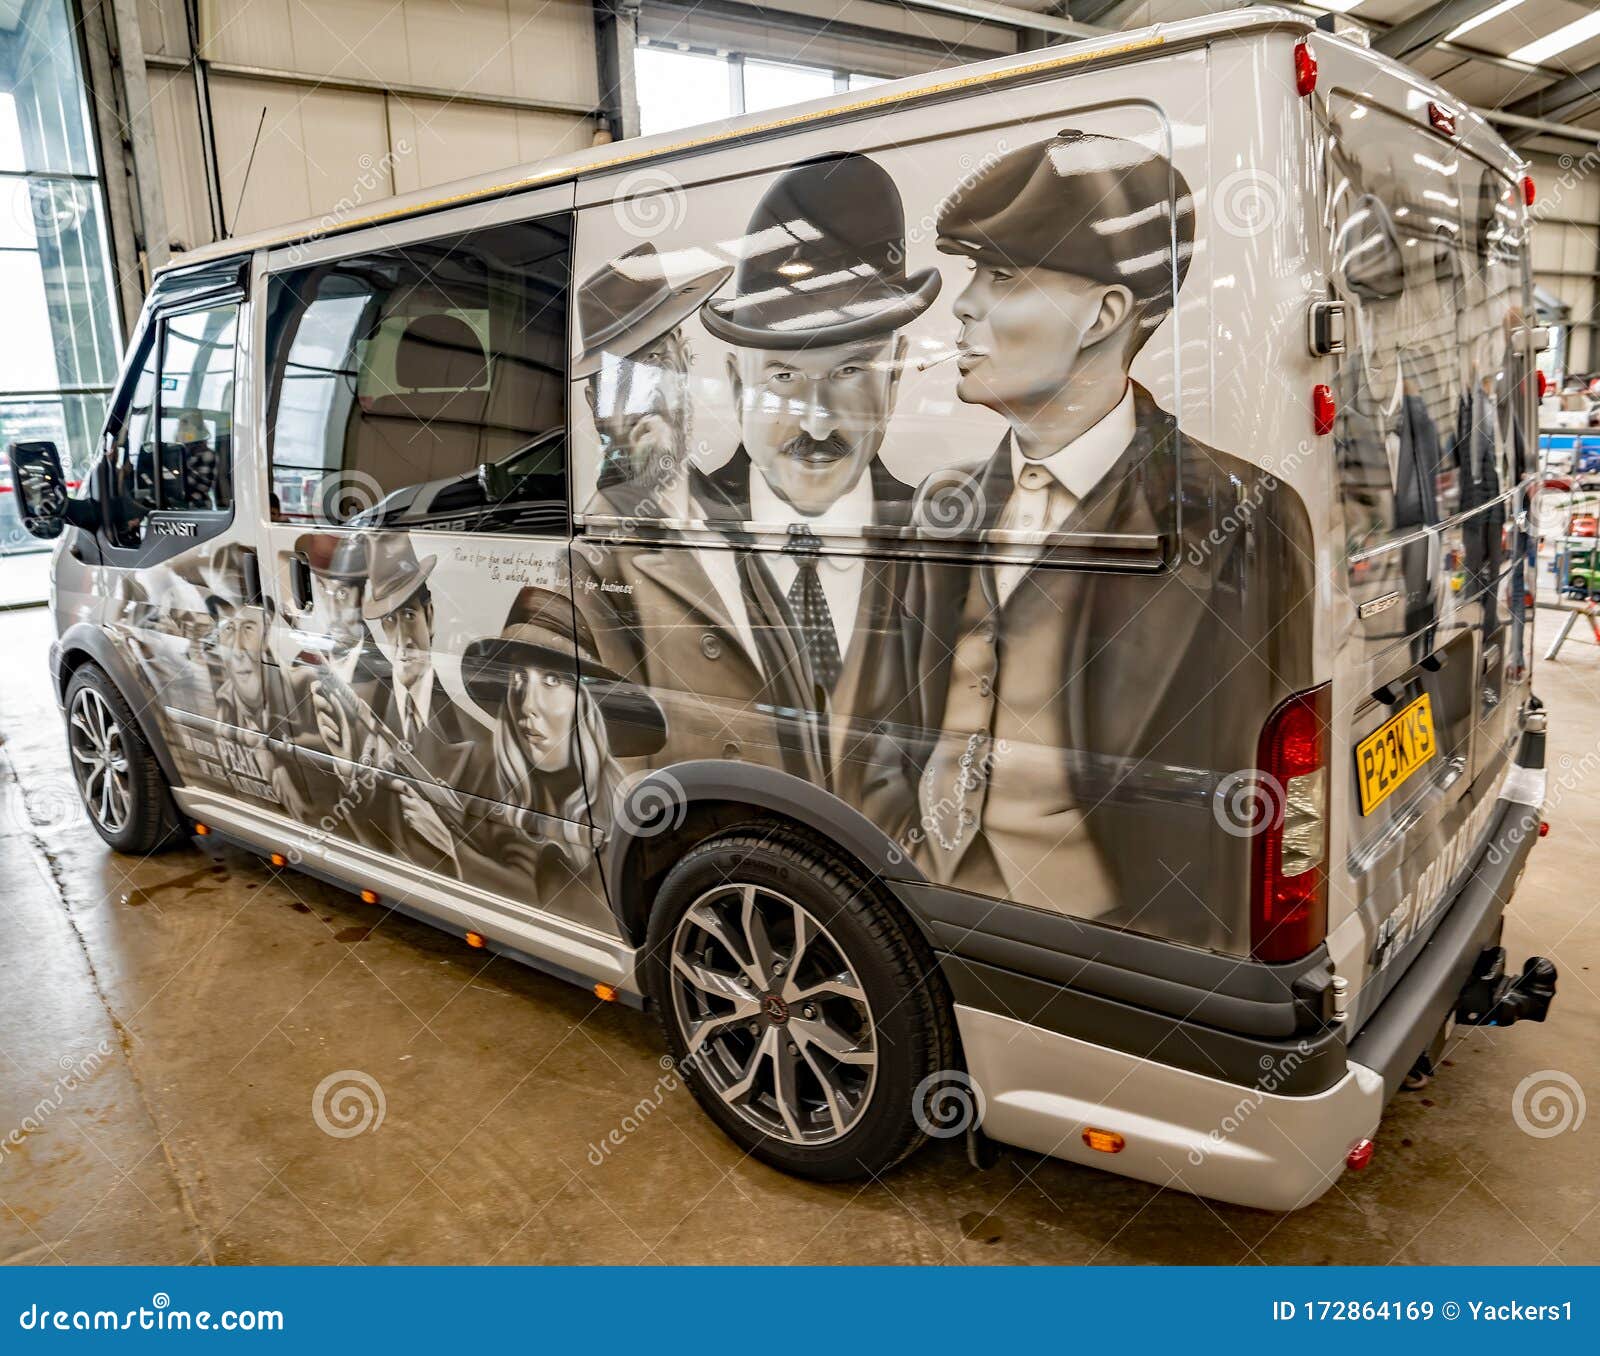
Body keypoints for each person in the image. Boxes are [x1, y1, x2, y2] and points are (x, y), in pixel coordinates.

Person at [904, 130, 1290, 945]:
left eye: (1001, 275)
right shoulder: (945, 504)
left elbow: (1242, 784)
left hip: (1116, 928)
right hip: (927, 897)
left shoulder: (1240, 512)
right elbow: (892, 721)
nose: (964, 304)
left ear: (1106, 314)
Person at [696, 151, 938, 811]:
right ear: (734, 381)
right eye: (783, 376)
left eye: (850, 371)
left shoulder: (952, 545)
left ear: (895, 374)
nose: (818, 419)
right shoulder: (669, 536)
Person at [573, 241, 826, 782]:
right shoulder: (594, 552)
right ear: (595, 408)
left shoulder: (734, 513)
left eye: (658, 362)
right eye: (622, 377)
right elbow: (621, 751)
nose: (644, 395)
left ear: (687, 366)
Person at [456, 586, 666, 932]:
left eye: (552, 680)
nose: (527, 705)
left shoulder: (629, 815)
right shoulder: (478, 786)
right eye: (519, 678)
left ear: (586, 702)